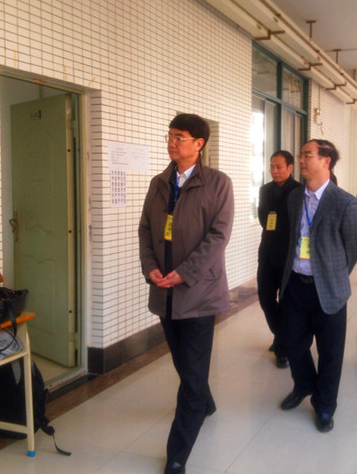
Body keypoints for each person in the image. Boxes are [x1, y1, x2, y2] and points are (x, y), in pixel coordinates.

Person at [138, 114, 234, 474]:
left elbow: (218, 236)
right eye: (170, 136)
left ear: (199, 144)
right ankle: (204, 402)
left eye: (179, 137)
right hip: (164, 292)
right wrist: (150, 267)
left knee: (191, 376)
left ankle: (177, 454)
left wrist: (185, 273)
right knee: (184, 363)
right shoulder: (159, 183)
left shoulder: (218, 183)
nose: (172, 142)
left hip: (199, 294)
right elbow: (145, 229)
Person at [278, 139, 357, 433]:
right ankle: (304, 384)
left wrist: (335, 274)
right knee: (292, 342)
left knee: (330, 353)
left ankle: (325, 405)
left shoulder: (345, 202)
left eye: (307, 155)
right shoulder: (294, 198)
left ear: (326, 160)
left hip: (328, 289)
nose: (301, 160)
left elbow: (356, 246)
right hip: (295, 285)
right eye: (301, 155)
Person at [257, 151, 301, 368]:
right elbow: (262, 216)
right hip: (267, 252)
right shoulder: (265, 189)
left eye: (279, 167)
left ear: (290, 168)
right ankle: (282, 336)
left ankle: (282, 348)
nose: (274, 171)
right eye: (271, 166)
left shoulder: (299, 191)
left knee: (286, 302)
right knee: (265, 297)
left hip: (288, 256)